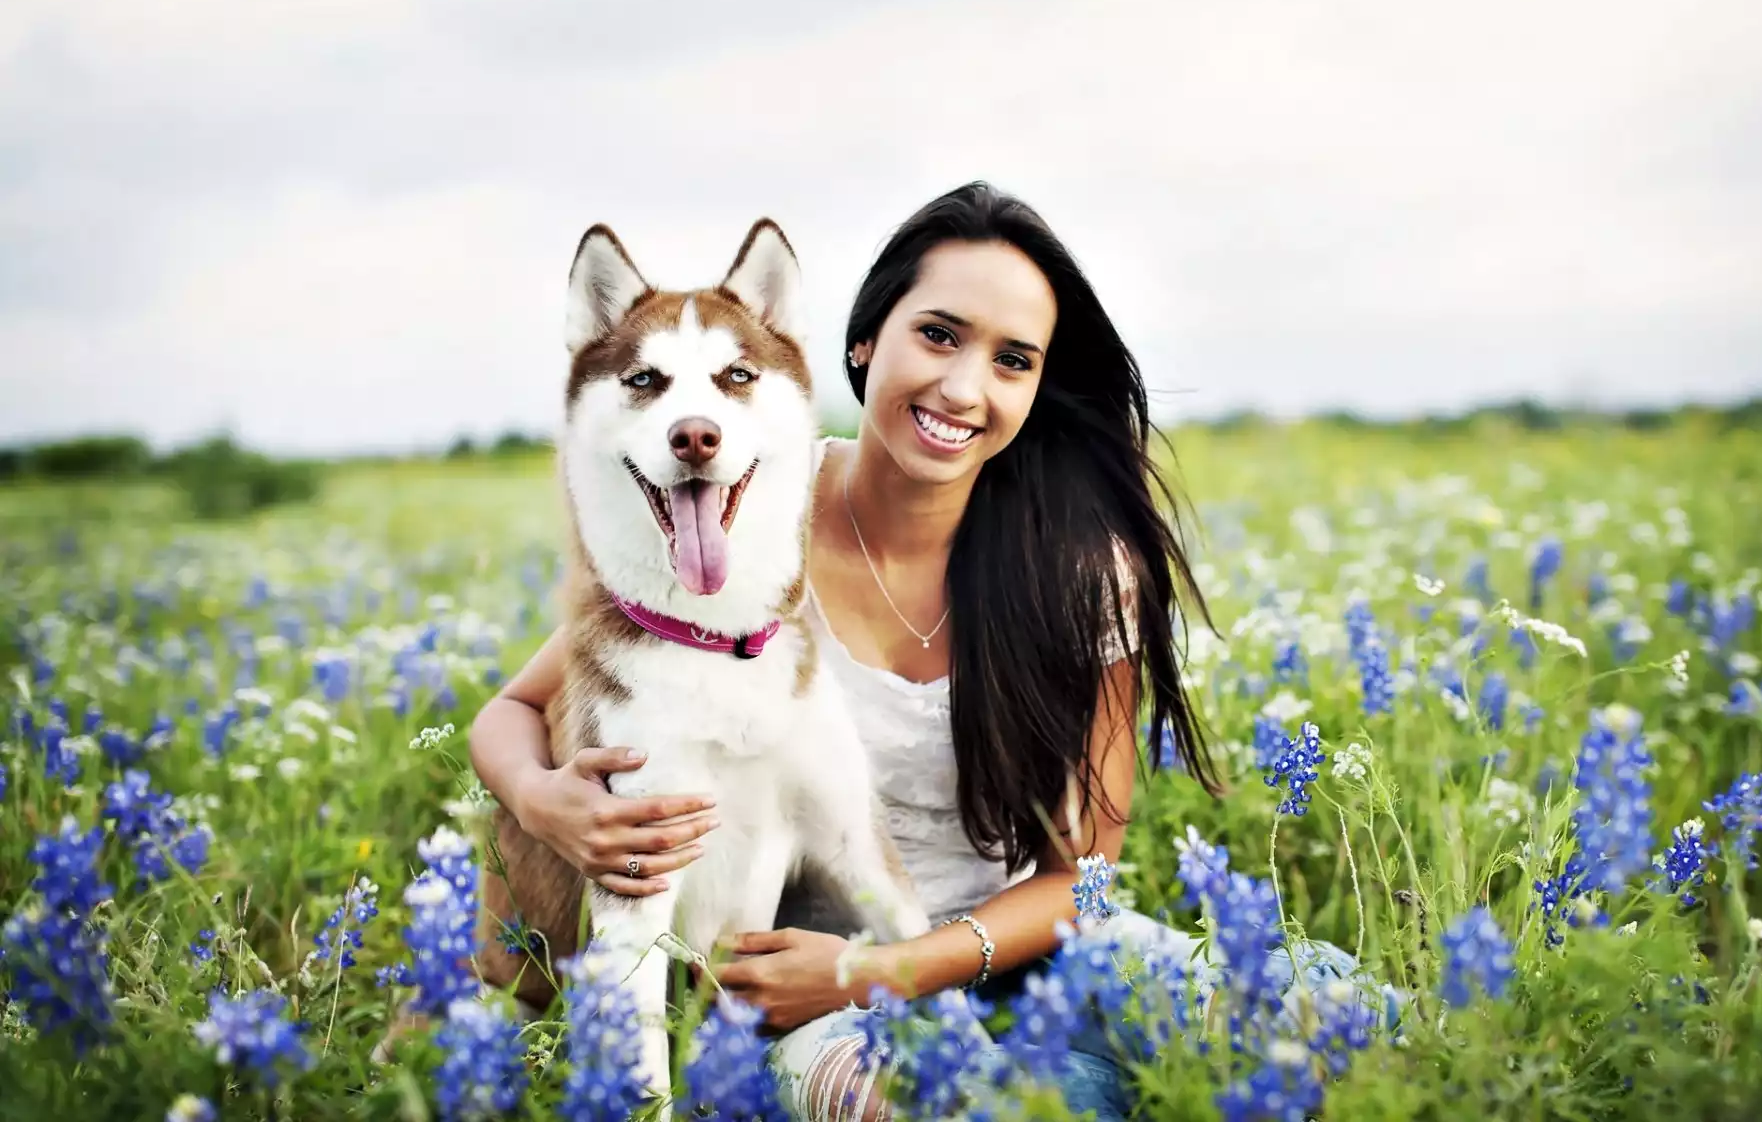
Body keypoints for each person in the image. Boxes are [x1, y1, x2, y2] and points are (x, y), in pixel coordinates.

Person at [468, 181, 1376, 1120]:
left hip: (1018, 954)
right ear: (865, 339)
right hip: (797, 995)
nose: (962, 386)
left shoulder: (1074, 566)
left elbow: (1084, 877)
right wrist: (544, 801)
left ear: (1033, 387)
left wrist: (895, 964)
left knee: (1333, 1021)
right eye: (939, 334)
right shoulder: (748, 508)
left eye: (1012, 359)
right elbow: (515, 708)